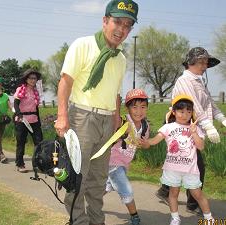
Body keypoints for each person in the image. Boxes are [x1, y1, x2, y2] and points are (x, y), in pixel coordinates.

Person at [54, 0, 139, 224]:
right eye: (117, 22)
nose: (121, 29)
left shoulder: (120, 58)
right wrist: (62, 116)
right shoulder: (83, 45)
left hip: (106, 122)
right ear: (105, 21)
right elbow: (65, 82)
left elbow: (116, 93)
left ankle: (96, 220)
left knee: (99, 179)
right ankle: (78, 220)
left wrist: (116, 120)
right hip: (81, 117)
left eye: (128, 25)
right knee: (77, 178)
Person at [156, 47, 226, 215]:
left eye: (206, 62)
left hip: (191, 127)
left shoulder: (199, 81)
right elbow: (194, 105)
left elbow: (209, 104)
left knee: (183, 161)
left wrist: (222, 119)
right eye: (201, 62)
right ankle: (193, 203)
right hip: (180, 128)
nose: (204, 65)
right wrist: (209, 127)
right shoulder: (184, 81)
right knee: (197, 166)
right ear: (191, 63)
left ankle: (166, 190)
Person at [142, 95, 214, 225]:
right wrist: (146, 142)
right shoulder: (168, 127)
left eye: (188, 111)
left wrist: (194, 133)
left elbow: (201, 147)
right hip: (172, 169)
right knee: (173, 193)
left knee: (198, 194)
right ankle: (175, 218)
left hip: (190, 169)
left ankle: (209, 218)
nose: (185, 115)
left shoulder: (195, 128)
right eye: (181, 111)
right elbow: (155, 140)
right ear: (174, 112)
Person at [105, 89, 150, 225]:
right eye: (134, 107)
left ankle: (89, 201)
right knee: (126, 189)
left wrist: (145, 144)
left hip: (125, 164)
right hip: (112, 162)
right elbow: (113, 130)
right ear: (127, 107)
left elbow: (145, 144)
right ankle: (135, 218)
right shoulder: (123, 121)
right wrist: (122, 129)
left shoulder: (145, 125)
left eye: (143, 107)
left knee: (106, 187)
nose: (139, 111)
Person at [13, 69, 43, 173]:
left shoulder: (35, 91)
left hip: (34, 119)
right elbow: (16, 103)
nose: (33, 80)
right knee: (21, 142)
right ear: (26, 79)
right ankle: (20, 164)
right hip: (22, 120)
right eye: (31, 78)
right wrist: (18, 114)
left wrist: (39, 120)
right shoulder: (21, 89)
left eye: (35, 78)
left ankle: (38, 164)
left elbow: (36, 107)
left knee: (39, 142)